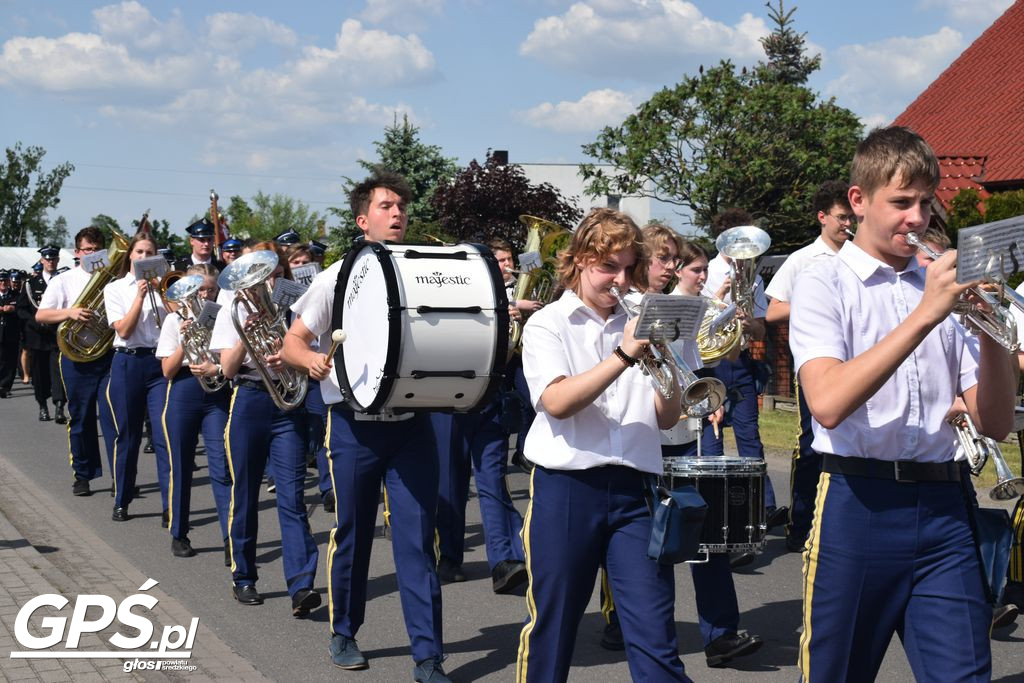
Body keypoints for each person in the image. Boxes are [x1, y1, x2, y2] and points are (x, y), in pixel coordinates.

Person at [790, 125, 1016, 681]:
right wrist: (926, 315)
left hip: (944, 504)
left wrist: (990, 327)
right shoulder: (823, 281)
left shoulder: (937, 283)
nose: (916, 219)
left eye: (924, 202)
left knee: (963, 674)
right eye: (900, 202)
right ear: (859, 201)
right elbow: (827, 402)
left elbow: (994, 421)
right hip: (856, 503)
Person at [282, 171, 450, 682]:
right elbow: (294, 341)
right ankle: (344, 631)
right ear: (363, 219)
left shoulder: (422, 268)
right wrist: (309, 362)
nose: (397, 213)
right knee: (353, 531)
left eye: (401, 205)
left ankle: (428, 656)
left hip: (412, 424)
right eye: (385, 206)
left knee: (418, 539)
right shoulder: (337, 274)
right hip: (354, 425)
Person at [515, 207, 690, 682]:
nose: (619, 279)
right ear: (577, 262)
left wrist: (668, 364)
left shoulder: (638, 319)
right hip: (568, 488)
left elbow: (666, 416)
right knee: (554, 629)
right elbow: (556, 401)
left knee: (655, 635)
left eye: (628, 267)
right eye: (607, 266)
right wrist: (625, 354)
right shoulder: (548, 324)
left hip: (636, 490)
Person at [209, 241, 320, 617]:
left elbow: (313, 356)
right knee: (245, 493)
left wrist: (289, 354)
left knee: (292, 496)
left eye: (272, 274)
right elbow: (226, 370)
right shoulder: (232, 308)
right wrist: (246, 337)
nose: (267, 283)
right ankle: (244, 575)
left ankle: (302, 585)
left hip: (288, 404)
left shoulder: (298, 307)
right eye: (259, 276)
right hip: (250, 400)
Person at [764, 180, 854, 552]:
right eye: (841, 217)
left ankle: (840, 526)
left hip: (856, 361)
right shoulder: (802, 259)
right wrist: (817, 301)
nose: (848, 224)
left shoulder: (859, 255)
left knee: (850, 447)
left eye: (852, 217)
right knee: (812, 446)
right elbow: (772, 311)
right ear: (822, 217)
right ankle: (800, 527)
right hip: (815, 364)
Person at [701, 209, 785, 565]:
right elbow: (702, 324)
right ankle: (716, 515)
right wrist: (721, 300)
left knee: (751, 439)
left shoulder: (753, 278)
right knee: (713, 441)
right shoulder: (706, 272)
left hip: (742, 363)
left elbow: (763, 330)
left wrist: (750, 324)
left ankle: (759, 509)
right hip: (714, 364)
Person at [156, 264, 232, 560]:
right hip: (184, 391)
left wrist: (217, 366)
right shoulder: (174, 321)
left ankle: (230, 539)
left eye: (210, 289)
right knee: (181, 466)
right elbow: (166, 370)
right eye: (199, 289)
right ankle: (179, 533)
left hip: (216, 392)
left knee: (222, 467)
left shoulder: (224, 318)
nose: (205, 294)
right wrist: (186, 340)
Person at [36, 227, 118, 497]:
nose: (92, 255)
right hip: (76, 357)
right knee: (81, 418)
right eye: (87, 250)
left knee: (113, 418)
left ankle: (121, 475)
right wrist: (69, 312)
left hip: (107, 355)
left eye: (97, 250)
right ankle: (83, 475)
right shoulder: (64, 280)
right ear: (77, 252)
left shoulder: (114, 278)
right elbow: (42, 315)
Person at [104, 233, 171, 523]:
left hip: (159, 363)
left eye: (150, 253)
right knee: (127, 436)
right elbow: (124, 330)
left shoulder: (166, 287)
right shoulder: (116, 289)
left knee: (164, 436)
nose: (144, 258)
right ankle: (122, 499)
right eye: (140, 252)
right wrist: (141, 295)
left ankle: (171, 505)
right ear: (130, 256)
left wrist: (162, 294)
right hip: (128, 362)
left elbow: (180, 320)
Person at [492, 237, 544, 474]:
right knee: (501, 408)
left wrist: (531, 312)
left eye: (509, 258)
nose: (507, 264)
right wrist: (514, 304)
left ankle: (523, 452)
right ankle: (497, 458)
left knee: (531, 401)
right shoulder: (489, 286)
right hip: (499, 354)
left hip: (521, 353)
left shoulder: (525, 285)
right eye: (501, 260)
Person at [17, 246, 67, 422]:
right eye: (48, 259)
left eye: (54, 259)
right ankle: (42, 406)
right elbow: (22, 309)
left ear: (58, 260)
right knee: (40, 374)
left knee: (59, 372)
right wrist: (35, 322)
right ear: (42, 261)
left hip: (57, 334)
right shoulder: (31, 284)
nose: (51, 262)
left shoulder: (63, 281)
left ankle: (60, 406)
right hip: (37, 337)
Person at [0, 270, 19, 398]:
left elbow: (23, 308)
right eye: (0, 281)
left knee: (10, 361)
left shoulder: (15, 295)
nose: (3, 283)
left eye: (5, 280)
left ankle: (5, 386)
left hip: (11, 333)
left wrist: (14, 309)